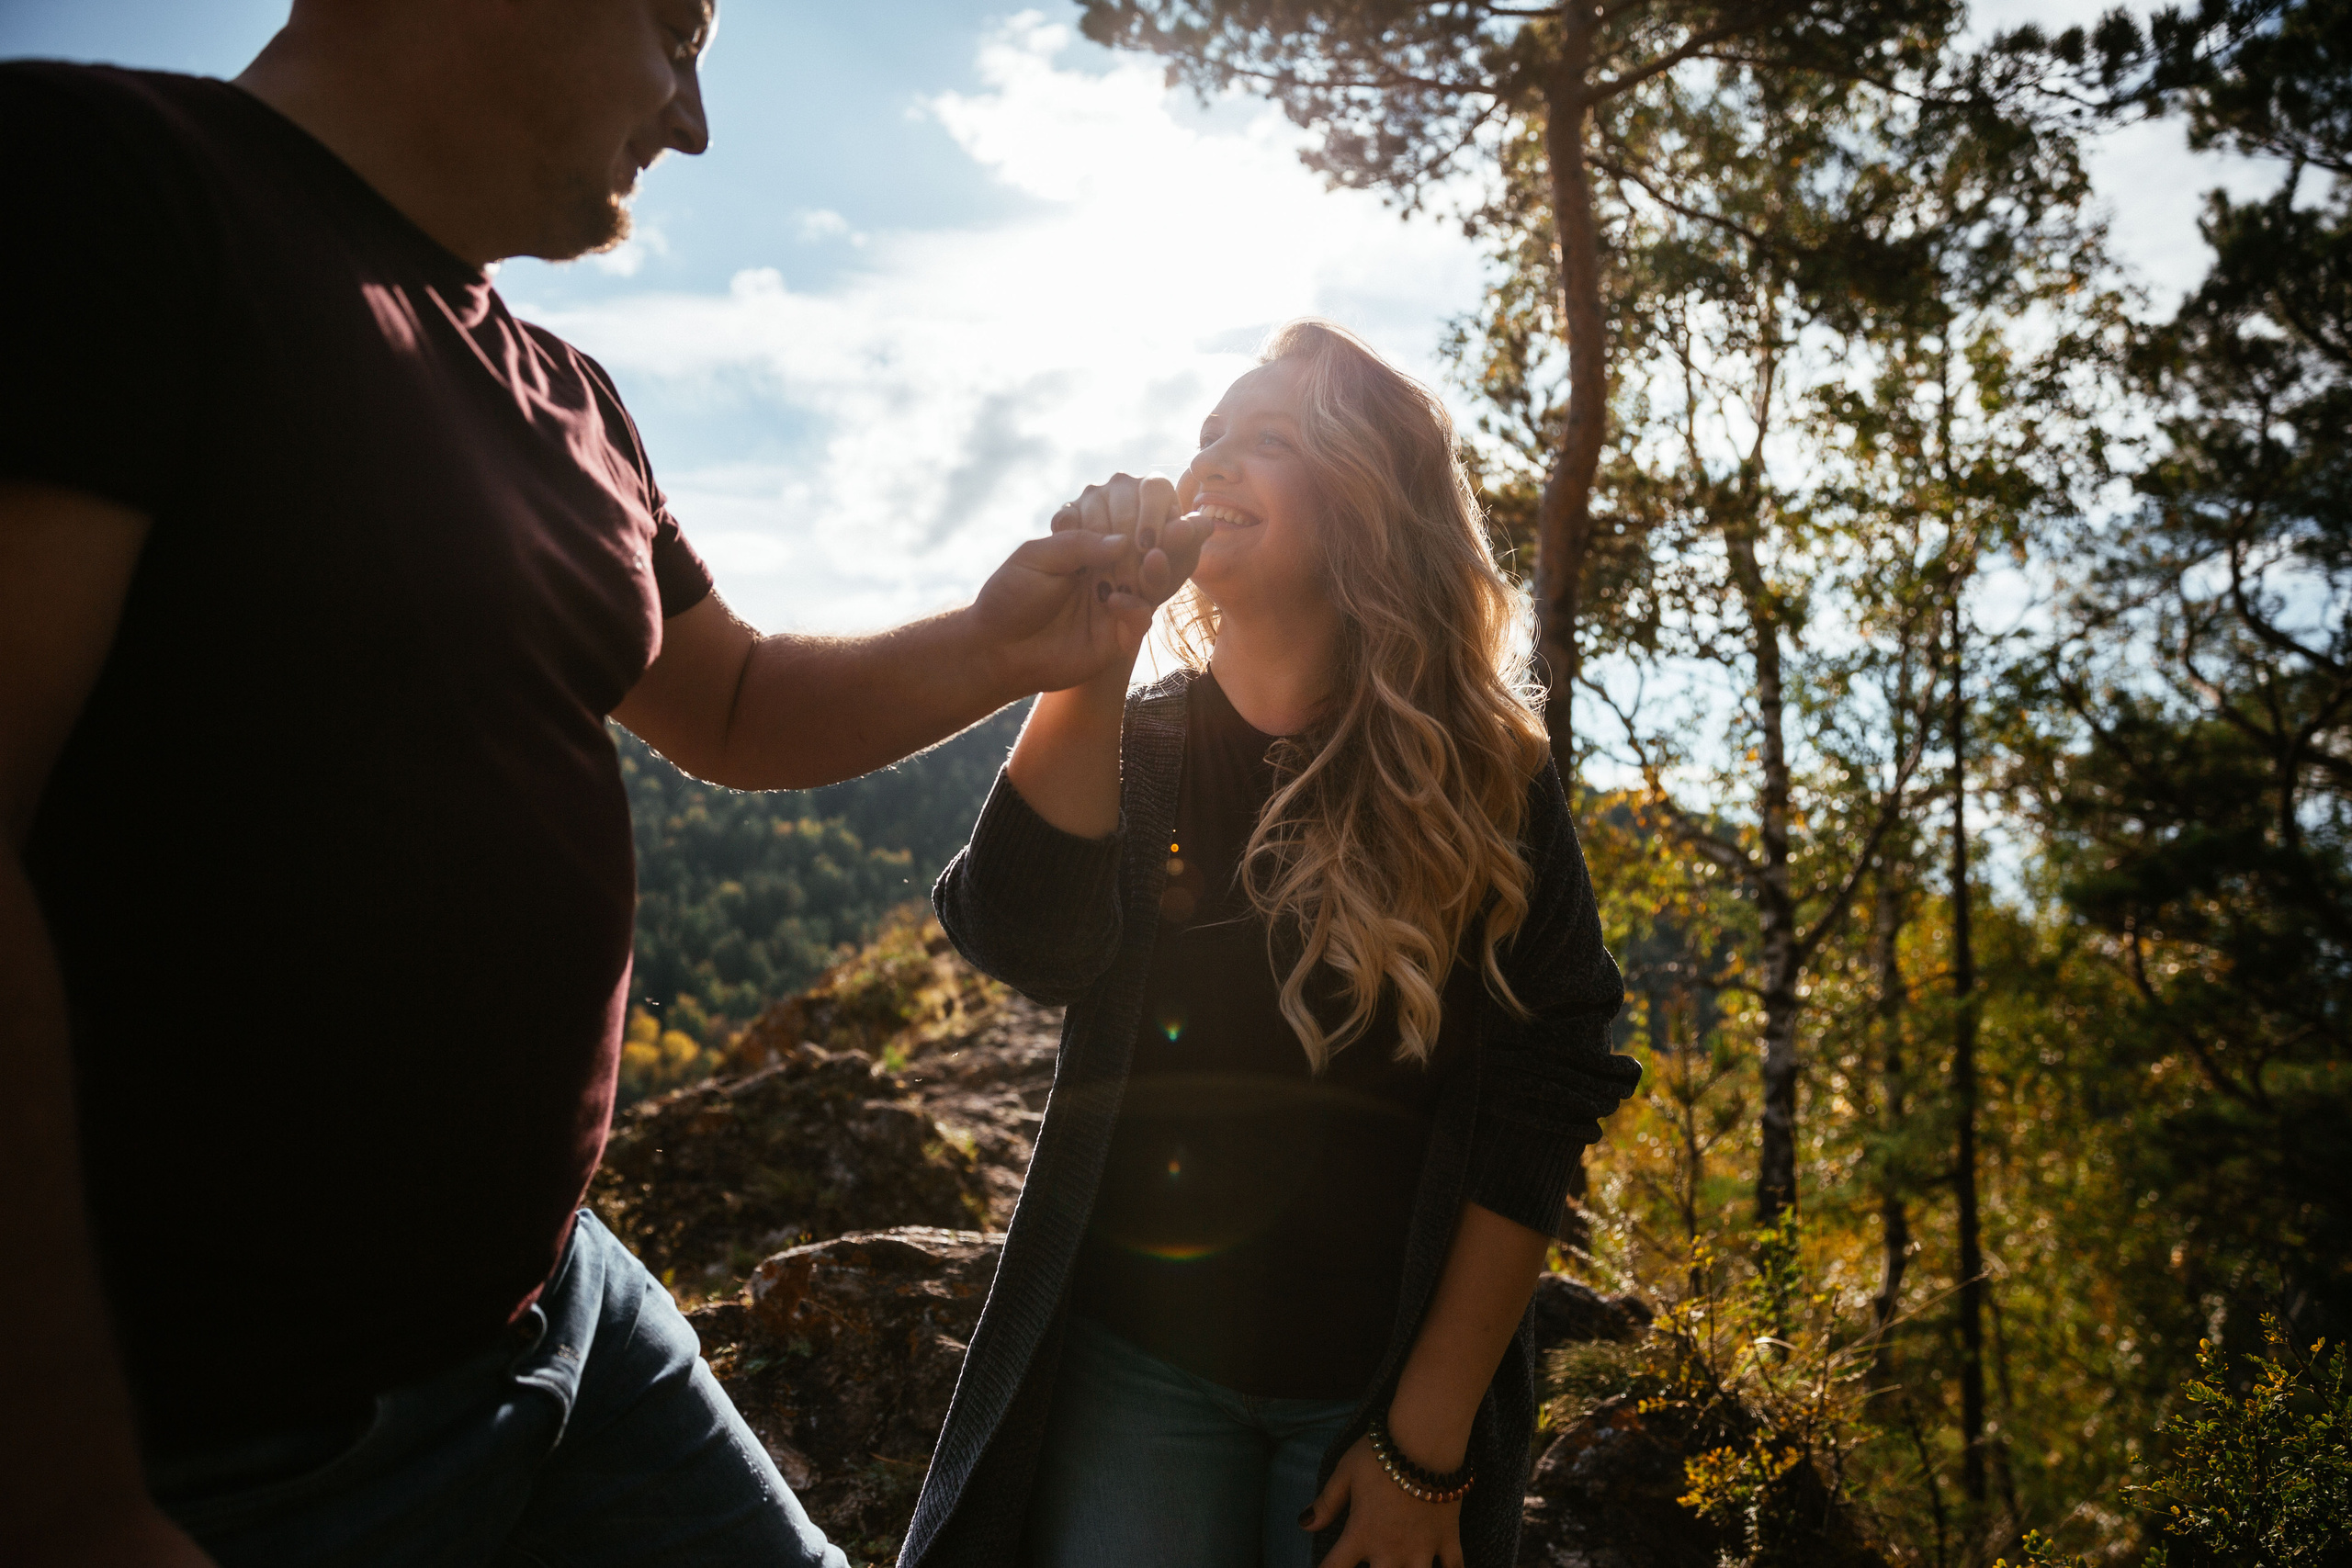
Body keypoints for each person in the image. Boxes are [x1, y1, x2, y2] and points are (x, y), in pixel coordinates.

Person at [0, 4, 1204, 1566]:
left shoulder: (571, 395)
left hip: (570, 1315)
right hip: (239, 1442)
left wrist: (1001, 641)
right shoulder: (107, 184)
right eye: (677, 30)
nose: (691, 122)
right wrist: (64, 1486)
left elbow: (743, 702)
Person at [904, 320, 1642, 1568]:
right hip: (1135, 1374)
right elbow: (1025, 942)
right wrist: (1094, 646)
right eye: (1207, 440)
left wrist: (1427, 1442)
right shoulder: (1140, 742)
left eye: (1268, 440)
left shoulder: (1483, 778)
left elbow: (1550, 1085)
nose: (1211, 466)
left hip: (1377, 1396)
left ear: (1364, 503)